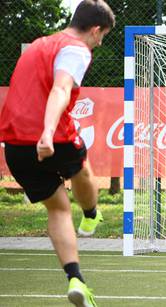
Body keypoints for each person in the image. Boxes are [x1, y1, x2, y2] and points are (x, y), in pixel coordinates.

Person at [0, 0, 115, 305]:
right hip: (50, 137)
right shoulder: (77, 50)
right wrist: (47, 133)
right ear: (94, 29)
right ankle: (91, 214)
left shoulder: (39, 44)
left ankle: (75, 278)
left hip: (14, 146)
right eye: (102, 35)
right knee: (83, 168)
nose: (100, 42)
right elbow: (61, 89)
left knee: (58, 208)